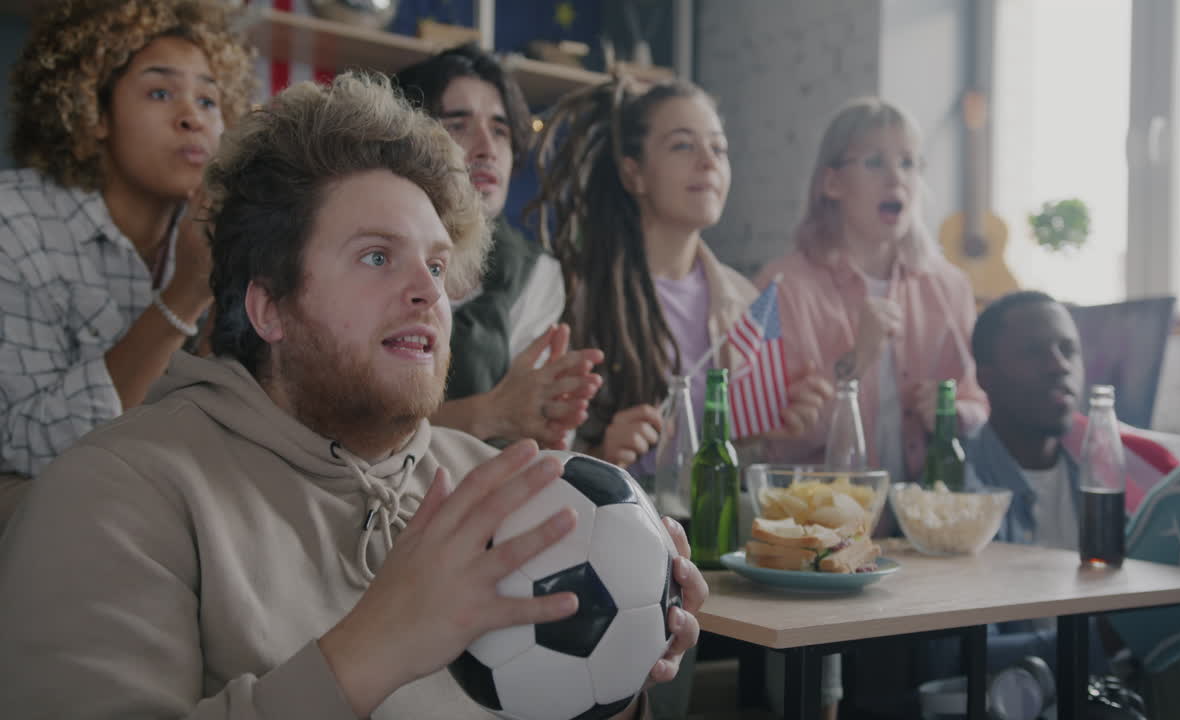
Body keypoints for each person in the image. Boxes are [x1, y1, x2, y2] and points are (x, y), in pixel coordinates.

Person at [0, 72, 706, 719]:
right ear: (268, 307)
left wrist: (617, 666)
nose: (428, 290)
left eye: (436, 263)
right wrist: (373, 649)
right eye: (376, 256)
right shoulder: (113, 494)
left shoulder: (497, 485)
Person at [965, 290, 1180, 719]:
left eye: (1068, 349)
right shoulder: (959, 498)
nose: (1059, 365)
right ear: (987, 376)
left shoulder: (1110, 473)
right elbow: (959, 662)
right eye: (1034, 351)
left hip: (1130, 678)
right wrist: (1107, 635)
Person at [0, 0, 254, 522]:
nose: (192, 118)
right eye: (160, 93)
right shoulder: (13, 224)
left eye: (209, 100)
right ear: (92, 113)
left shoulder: (212, 232)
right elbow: (32, 447)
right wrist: (185, 294)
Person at [529, 77, 831, 474]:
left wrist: (780, 418)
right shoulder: (573, 293)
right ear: (633, 174)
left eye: (719, 148)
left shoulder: (741, 298)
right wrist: (600, 454)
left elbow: (732, 456)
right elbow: (530, 446)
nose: (708, 161)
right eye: (683, 145)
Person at [755, 97, 987, 488]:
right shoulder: (783, 287)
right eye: (875, 162)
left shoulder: (951, 286)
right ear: (832, 183)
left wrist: (954, 413)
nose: (896, 179)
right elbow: (780, 446)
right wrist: (856, 359)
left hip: (926, 530)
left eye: (908, 163)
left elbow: (980, 404)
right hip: (823, 528)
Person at [392, 45, 602, 450]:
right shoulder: (367, 251)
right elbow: (346, 428)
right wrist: (489, 412)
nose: (487, 148)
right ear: (408, 138)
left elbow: (532, 426)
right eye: (458, 125)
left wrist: (549, 417)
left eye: (500, 130)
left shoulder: (536, 273)